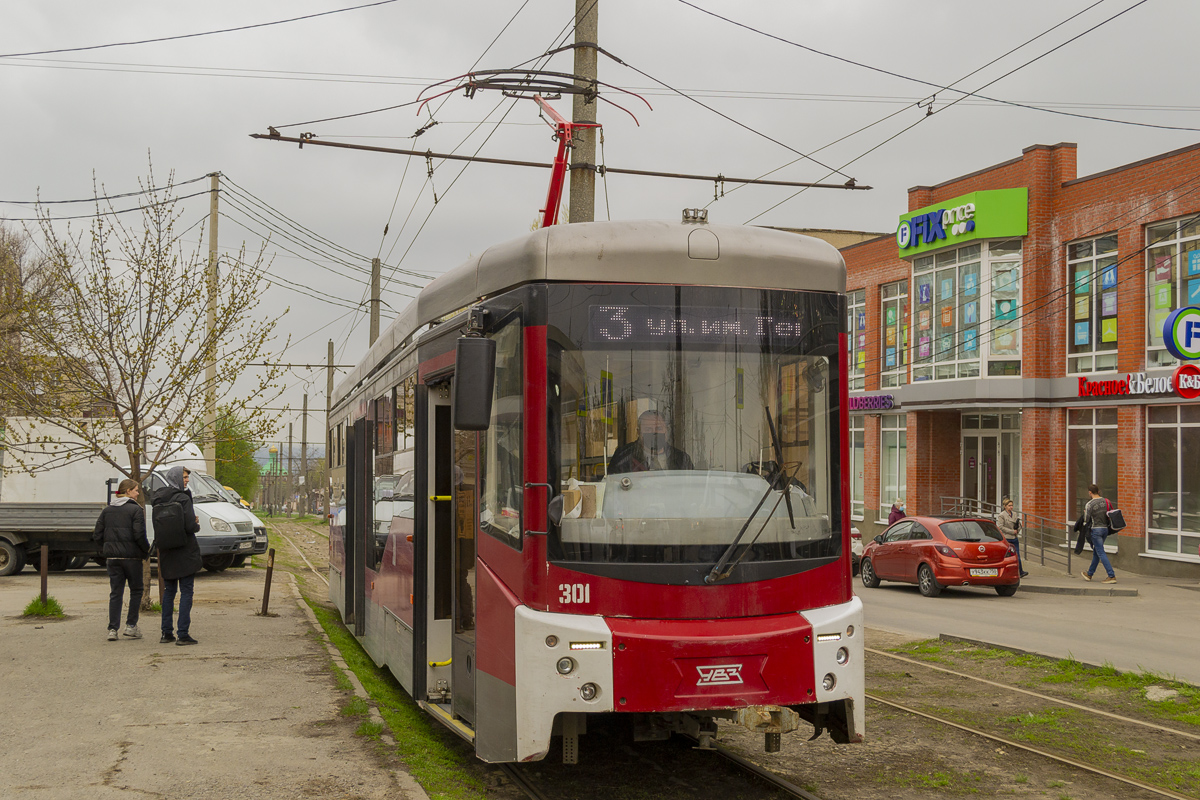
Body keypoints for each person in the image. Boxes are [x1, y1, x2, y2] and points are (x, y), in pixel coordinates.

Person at [92, 478, 151, 641]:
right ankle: (131, 625)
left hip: (112, 558)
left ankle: (113, 629)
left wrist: (106, 548)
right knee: (136, 590)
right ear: (128, 491)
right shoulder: (136, 510)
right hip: (131, 557)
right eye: (136, 490)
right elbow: (139, 534)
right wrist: (146, 550)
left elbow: (97, 534)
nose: (138, 493)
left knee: (116, 592)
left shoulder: (107, 510)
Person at [153, 466, 203, 645]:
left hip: (167, 551)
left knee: (169, 592)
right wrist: (196, 524)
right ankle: (183, 634)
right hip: (185, 551)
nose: (187, 480)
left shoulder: (158, 498)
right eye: (184, 477)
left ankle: (166, 633)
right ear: (176, 478)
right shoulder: (183, 498)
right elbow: (190, 527)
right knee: (187, 592)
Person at [607, 410, 694, 474]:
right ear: (638, 432)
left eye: (658, 428)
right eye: (648, 429)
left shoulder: (682, 459)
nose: (654, 433)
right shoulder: (623, 458)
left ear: (666, 430)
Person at [1080, 483, 1117, 584]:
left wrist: (1085, 513)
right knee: (1097, 552)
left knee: (1100, 552)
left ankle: (1111, 575)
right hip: (1105, 529)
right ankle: (1089, 574)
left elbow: (1086, 519)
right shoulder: (1106, 501)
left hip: (1096, 530)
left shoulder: (1089, 504)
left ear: (1090, 492)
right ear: (1099, 491)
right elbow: (1111, 513)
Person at [996, 497, 1029, 578]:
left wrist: (1017, 530)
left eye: (1012, 505)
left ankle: (1020, 571)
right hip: (1007, 538)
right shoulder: (1002, 515)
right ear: (1005, 506)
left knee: (1017, 555)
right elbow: (1000, 527)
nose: (1011, 507)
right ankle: (1007, 572)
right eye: (1009, 505)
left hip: (1014, 538)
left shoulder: (1014, 514)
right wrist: (1011, 531)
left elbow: (1019, 524)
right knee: (1007, 556)